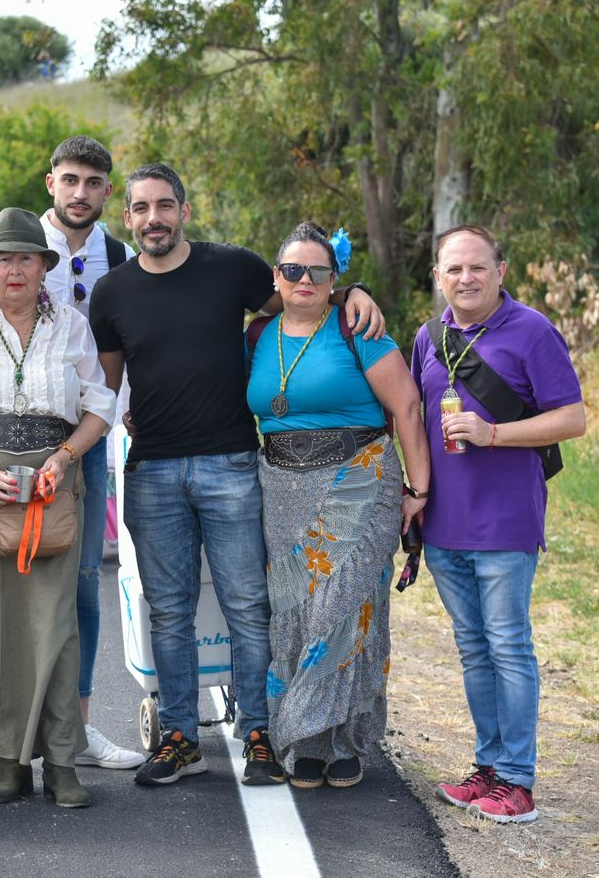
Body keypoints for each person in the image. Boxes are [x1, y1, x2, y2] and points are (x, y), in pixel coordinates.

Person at [88, 163, 383, 787]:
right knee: (166, 609)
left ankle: (258, 733)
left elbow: (305, 301)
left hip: (230, 464)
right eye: (140, 208)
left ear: (184, 210)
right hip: (153, 471)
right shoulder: (113, 294)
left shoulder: (233, 267)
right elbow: (106, 388)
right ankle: (177, 737)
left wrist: (353, 291)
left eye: (164, 205)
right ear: (128, 216)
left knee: (249, 606)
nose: (152, 219)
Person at [0, 136, 145, 783]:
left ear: (105, 191)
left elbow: (130, 343)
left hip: (80, 446)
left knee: (81, 589)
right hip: (4, 447)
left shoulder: (118, 255)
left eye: (94, 182)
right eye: (71, 179)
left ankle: (78, 724)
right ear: (50, 183)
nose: (81, 193)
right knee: (1, 588)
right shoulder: (3, 250)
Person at [0, 208, 116, 807]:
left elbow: (101, 404)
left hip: (56, 489)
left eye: (26, 258)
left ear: (43, 267)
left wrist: (65, 456)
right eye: (2, 258)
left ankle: (62, 762)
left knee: (56, 629)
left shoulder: (72, 327)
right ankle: (11, 761)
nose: (14, 269)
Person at [412, 224, 585, 824]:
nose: (466, 278)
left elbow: (572, 419)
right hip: (443, 524)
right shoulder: (427, 338)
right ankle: (488, 767)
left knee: (509, 645)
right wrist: (414, 496)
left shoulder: (532, 331)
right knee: (473, 649)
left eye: (477, 267)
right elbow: (412, 422)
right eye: (453, 269)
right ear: (438, 277)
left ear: (501, 270)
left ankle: (517, 780)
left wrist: (495, 435)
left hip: (507, 522)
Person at [248, 222, 431, 790]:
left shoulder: (359, 327)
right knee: (294, 614)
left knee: (344, 609)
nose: (305, 280)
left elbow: (407, 409)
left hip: (358, 479)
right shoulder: (257, 335)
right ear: (276, 277)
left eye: (319, 272)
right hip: (279, 486)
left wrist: (417, 493)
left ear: (335, 280)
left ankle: (345, 739)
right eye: (293, 270)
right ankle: (306, 742)